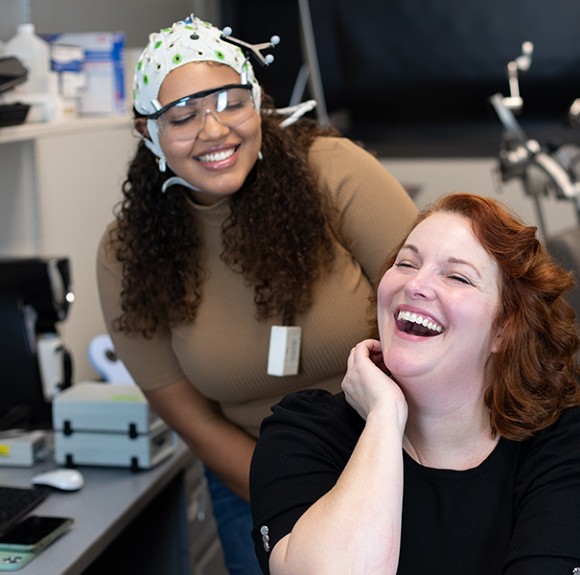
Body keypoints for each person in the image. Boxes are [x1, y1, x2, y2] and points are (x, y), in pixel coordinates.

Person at [96, 14, 418, 575]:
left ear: (258, 103)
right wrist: (305, 499)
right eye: (183, 115)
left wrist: (388, 468)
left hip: (405, 449)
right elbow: (194, 422)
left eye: (231, 101)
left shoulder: (333, 172)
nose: (215, 129)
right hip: (258, 481)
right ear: (148, 133)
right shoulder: (128, 254)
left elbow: (435, 318)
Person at [250, 192, 580, 574]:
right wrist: (384, 417)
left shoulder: (571, 452)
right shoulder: (303, 432)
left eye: (457, 276)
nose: (415, 285)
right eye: (407, 263)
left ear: (505, 330)